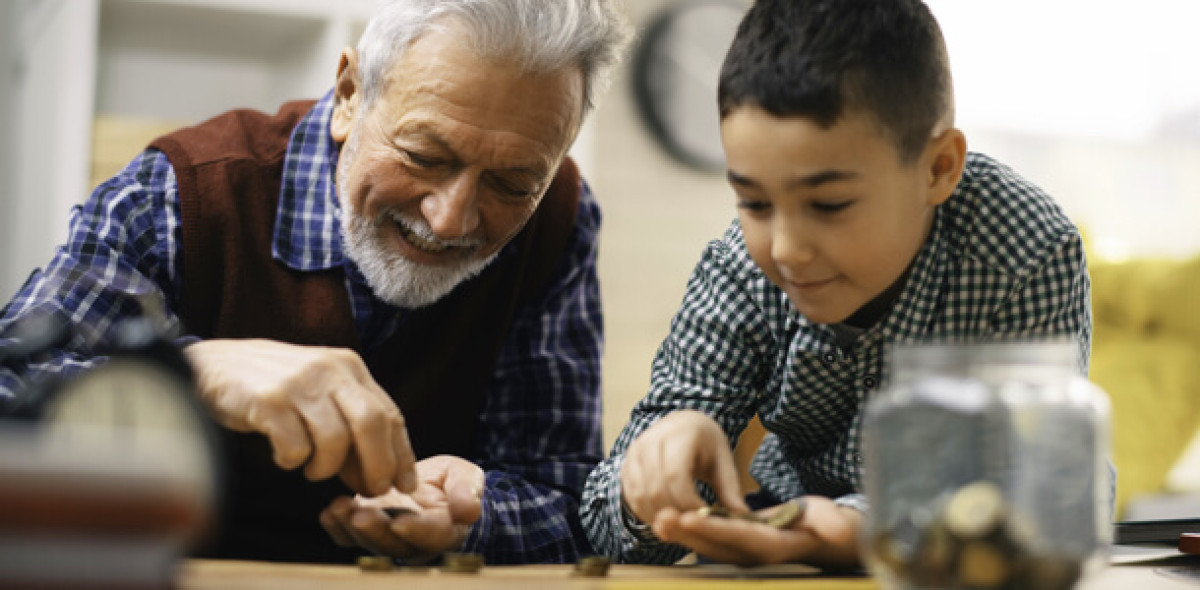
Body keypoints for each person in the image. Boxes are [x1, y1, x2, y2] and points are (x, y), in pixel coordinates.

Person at [0, 0, 630, 565]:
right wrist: (190, 371)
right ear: (350, 94)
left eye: (512, 184)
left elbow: (568, 497)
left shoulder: (558, 221)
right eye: (424, 156)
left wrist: (474, 517)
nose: (450, 219)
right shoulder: (181, 193)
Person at [580, 0, 1095, 568]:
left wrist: (863, 527)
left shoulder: (1024, 250)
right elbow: (605, 527)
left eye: (828, 204)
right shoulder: (739, 270)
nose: (785, 249)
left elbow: (1042, 491)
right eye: (753, 201)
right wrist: (655, 476)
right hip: (789, 530)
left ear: (938, 168)